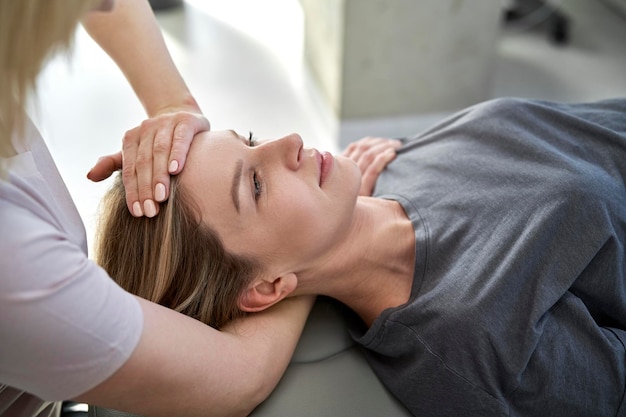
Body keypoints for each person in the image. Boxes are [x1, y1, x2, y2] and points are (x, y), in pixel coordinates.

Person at [96, 97, 626, 416]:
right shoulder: (473, 342)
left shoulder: (377, 164)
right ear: (267, 288)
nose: (291, 142)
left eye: (251, 139)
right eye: (255, 185)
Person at [0, 1, 316, 416]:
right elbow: (238, 379)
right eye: (255, 185)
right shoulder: (14, 268)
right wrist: (313, 268)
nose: (109, 4)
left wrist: (173, 102)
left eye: (251, 139)